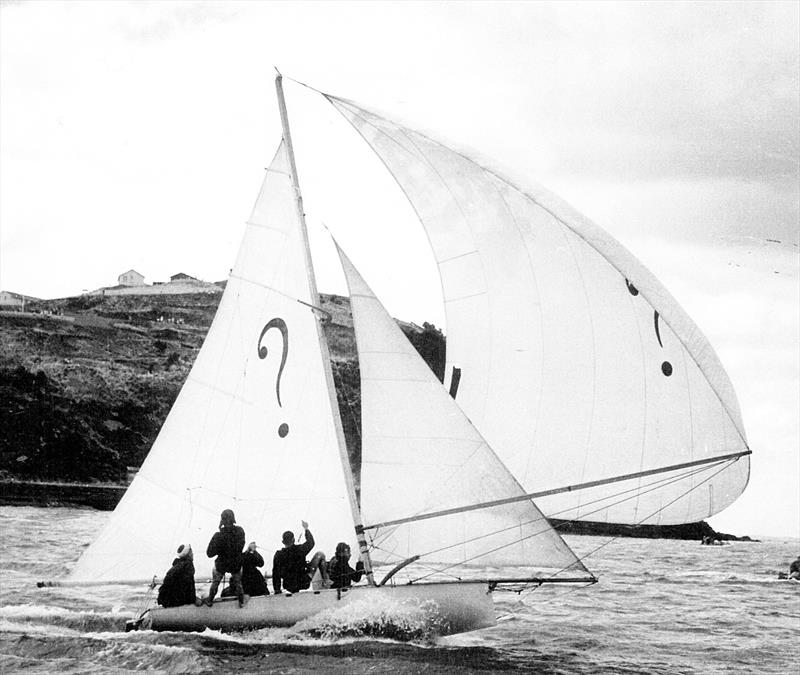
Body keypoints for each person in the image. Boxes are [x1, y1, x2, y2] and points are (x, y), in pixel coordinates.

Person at [272, 520, 329, 594]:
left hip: (288, 585)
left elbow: (275, 573)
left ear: (283, 542)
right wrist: (306, 529)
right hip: (304, 582)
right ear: (294, 540)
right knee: (320, 554)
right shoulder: (300, 549)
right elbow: (311, 542)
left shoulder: (278, 555)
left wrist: (277, 590)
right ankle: (326, 581)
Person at [204, 508, 246, 607]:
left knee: (216, 582)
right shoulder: (240, 531)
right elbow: (241, 546)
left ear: (222, 520)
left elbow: (209, 553)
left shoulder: (218, 535)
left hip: (222, 564)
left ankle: (210, 600)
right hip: (235, 563)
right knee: (238, 583)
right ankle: (241, 602)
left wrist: (219, 548)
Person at [157, 544, 201, 608]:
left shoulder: (176, 565)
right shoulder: (188, 565)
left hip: (165, 600)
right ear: (188, 554)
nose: (193, 554)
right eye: (191, 552)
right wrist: (194, 599)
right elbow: (188, 585)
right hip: (175, 601)